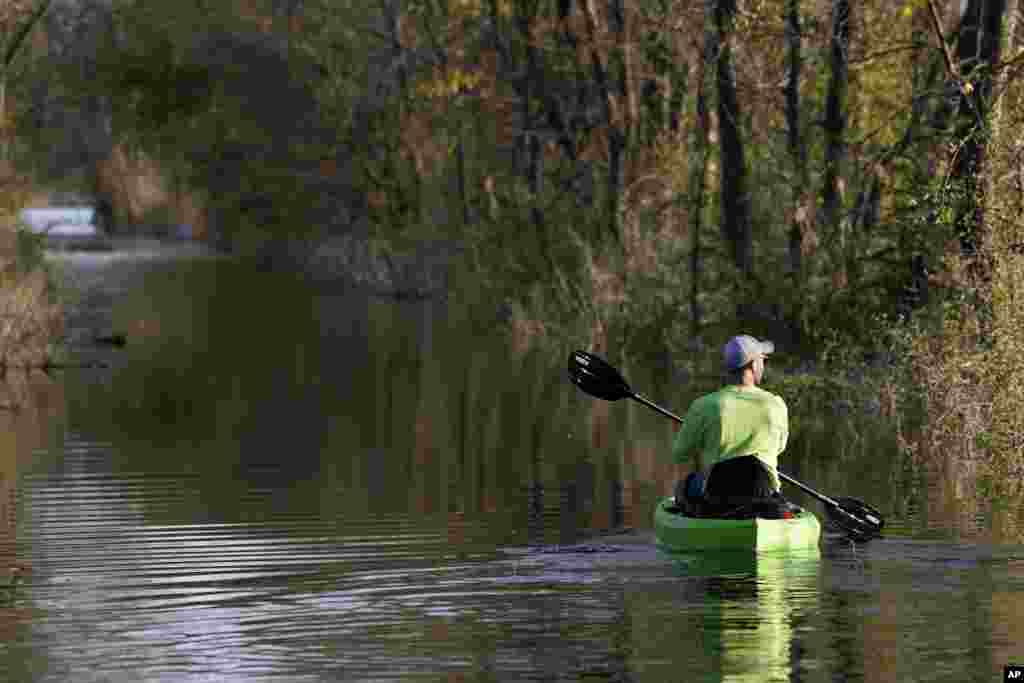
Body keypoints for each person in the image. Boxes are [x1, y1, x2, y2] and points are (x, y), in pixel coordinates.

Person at [671, 335, 789, 517]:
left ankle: (703, 519)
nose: (763, 365)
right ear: (753, 365)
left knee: (682, 486)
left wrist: (704, 444)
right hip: (763, 494)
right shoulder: (775, 404)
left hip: (716, 495)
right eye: (763, 360)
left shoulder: (703, 406)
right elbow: (780, 448)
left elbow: (679, 454)